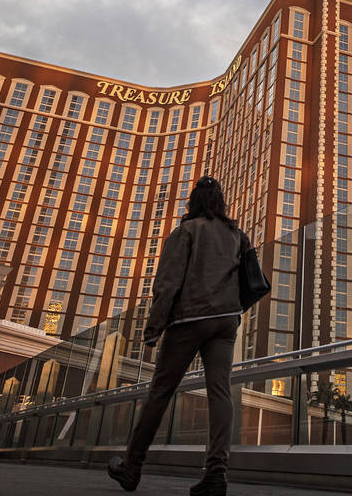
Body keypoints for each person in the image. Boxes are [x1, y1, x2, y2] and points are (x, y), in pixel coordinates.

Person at [108, 176, 246, 496]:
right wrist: (233, 314)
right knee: (220, 393)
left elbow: (168, 284)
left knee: (161, 392)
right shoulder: (237, 235)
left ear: (193, 202)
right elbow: (246, 279)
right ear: (221, 203)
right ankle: (216, 473)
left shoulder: (186, 231)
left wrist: (153, 327)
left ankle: (132, 466)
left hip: (190, 318)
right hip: (226, 322)